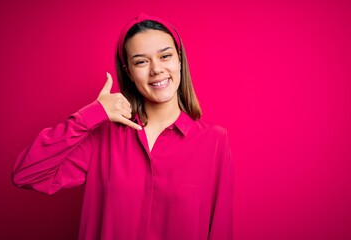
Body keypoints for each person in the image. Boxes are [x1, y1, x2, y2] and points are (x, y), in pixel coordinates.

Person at [12, 13, 233, 240]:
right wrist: (92, 114)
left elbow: (220, 229)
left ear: (179, 60)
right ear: (128, 71)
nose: (156, 69)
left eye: (165, 56)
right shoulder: (103, 137)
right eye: (141, 61)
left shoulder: (214, 140)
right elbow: (26, 175)